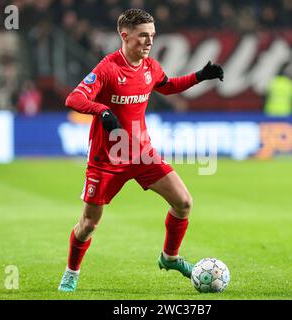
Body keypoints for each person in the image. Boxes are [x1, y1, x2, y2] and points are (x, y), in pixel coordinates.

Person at [58, 8, 224, 292]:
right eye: (143, 36)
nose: (149, 42)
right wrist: (101, 110)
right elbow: (74, 98)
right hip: (106, 159)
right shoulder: (108, 68)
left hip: (142, 153)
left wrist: (199, 76)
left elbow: (168, 86)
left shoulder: (150, 67)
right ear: (125, 35)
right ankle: (71, 272)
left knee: (183, 202)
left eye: (152, 36)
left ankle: (169, 257)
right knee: (88, 224)